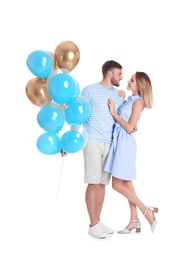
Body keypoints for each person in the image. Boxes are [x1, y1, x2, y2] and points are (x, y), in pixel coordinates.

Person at [104, 71, 158, 234]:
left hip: (125, 143)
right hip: (119, 141)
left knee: (116, 185)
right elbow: (128, 123)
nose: (128, 81)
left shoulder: (139, 101)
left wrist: (114, 112)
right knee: (126, 183)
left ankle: (147, 211)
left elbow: (128, 127)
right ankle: (134, 220)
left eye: (132, 80)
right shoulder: (130, 99)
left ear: (140, 85)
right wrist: (121, 97)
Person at [80, 60, 127, 239]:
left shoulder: (118, 95)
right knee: (93, 182)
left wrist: (123, 98)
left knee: (102, 184)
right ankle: (92, 224)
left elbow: (121, 117)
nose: (121, 78)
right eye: (119, 74)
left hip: (110, 142)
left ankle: (98, 221)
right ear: (110, 73)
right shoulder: (89, 90)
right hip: (92, 140)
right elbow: (78, 112)